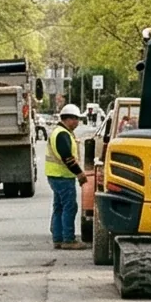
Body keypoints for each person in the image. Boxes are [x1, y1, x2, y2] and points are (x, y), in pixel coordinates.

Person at [46, 104, 85, 249]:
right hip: (63, 176)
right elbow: (67, 158)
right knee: (69, 207)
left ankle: (58, 238)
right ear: (68, 119)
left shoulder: (59, 132)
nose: (77, 123)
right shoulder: (62, 134)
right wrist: (80, 174)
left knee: (59, 207)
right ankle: (68, 239)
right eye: (75, 119)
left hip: (55, 175)